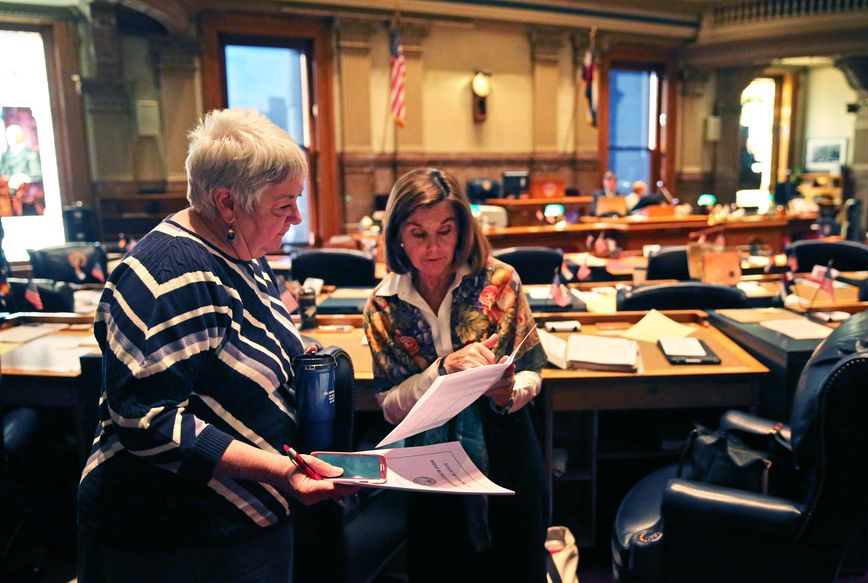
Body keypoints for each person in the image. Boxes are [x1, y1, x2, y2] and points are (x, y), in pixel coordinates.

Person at [77, 108, 355, 583]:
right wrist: (278, 472)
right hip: (176, 538)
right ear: (227, 203)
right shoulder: (172, 273)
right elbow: (147, 421)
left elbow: (247, 341)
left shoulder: (239, 249)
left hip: (240, 526)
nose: (296, 217)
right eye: (283, 204)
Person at [363, 168, 548, 582]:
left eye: (445, 231)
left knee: (516, 564)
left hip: (505, 447)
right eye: (418, 234)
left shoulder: (499, 281)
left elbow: (534, 370)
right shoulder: (383, 305)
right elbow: (391, 408)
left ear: (462, 230)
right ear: (397, 236)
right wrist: (444, 370)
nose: (434, 248)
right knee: (441, 566)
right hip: (428, 461)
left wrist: (509, 394)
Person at [0, 124, 44, 215]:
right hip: (7, 192)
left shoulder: (30, 154)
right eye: (8, 135)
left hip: (25, 195)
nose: (9, 138)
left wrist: (22, 177)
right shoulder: (5, 155)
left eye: (12, 135)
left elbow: (37, 174)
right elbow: (2, 172)